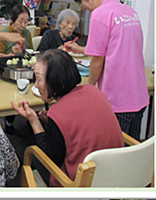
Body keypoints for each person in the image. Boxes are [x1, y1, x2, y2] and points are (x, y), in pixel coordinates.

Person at [11, 49, 124, 187]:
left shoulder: (58, 112)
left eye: (39, 79)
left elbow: (52, 158)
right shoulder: (94, 90)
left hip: (79, 183)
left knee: (31, 154)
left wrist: (35, 122)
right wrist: (51, 126)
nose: (36, 85)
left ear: (56, 81)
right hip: (117, 171)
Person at [66, 0, 149, 141]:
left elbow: (98, 60)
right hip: (140, 97)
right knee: (133, 150)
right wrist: (81, 50)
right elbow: (115, 49)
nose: (85, 8)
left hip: (118, 99)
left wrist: (88, 89)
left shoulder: (100, 14)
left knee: (114, 154)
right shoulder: (128, 11)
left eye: (82, 3)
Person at [0, 4, 33, 134]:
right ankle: (9, 121)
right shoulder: (3, 34)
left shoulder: (27, 33)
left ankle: (31, 118)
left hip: (24, 70)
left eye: (26, 21)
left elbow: (30, 52)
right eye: (20, 20)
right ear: (12, 19)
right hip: (8, 72)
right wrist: (11, 54)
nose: (23, 25)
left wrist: (24, 52)